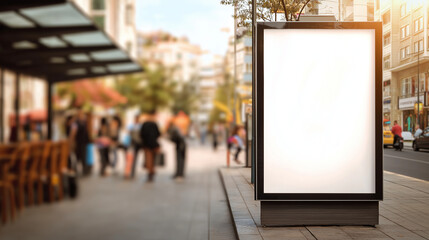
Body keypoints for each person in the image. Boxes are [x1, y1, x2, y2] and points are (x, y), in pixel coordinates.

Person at [139, 110, 161, 182]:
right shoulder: (154, 124)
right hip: (154, 144)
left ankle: (150, 172)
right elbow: (158, 134)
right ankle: (151, 171)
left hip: (146, 144)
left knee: (148, 159)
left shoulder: (144, 124)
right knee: (153, 159)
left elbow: (141, 134)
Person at [70, 109, 91, 176]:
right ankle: (76, 170)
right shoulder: (75, 123)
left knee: (83, 156)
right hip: (78, 142)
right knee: (78, 156)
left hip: (84, 142)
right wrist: (71, 141)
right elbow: (73, 133)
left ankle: (84, 170)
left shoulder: (84, 122)